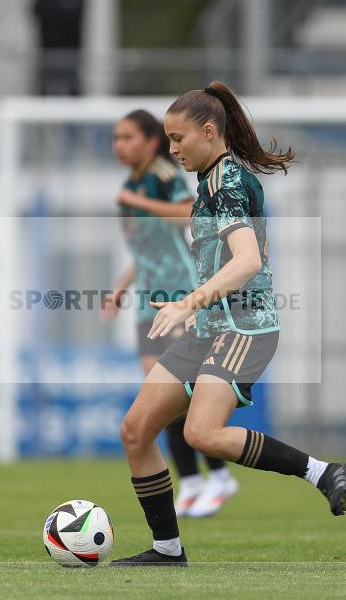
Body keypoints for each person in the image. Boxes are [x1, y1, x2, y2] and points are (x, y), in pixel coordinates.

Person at [111, 82, 346, 567]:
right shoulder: (212, 182)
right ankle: (167, 550)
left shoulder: (228, 184)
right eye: (167, 139)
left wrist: (187, 303)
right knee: (137, 430)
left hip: (245, 327)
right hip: (208, 327)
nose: (172, 149)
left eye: (178, 139)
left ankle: (320, 470)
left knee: (201, 433)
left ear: (208, 131)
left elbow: (244, 261)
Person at [103, 109, 240, 519]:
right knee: (158, 398)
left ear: (150, 141)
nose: (119, 145)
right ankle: (194, 480)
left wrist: (136, 202)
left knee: (173, 397)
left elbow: (186, 214)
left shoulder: (163, 175)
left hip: (177, 293)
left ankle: (216, 475)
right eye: (115, 137)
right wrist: (122, 286)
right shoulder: (132, 182)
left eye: (127, 137)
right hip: (147, 298)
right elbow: (145, 246)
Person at [33, 0, 83, 96]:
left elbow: (74, 16)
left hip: (70, 56)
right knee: (43, 91)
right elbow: (36, 11)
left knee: (74, 91)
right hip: (48, 54)